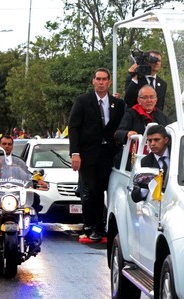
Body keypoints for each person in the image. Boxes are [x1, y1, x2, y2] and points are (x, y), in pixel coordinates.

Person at [69, 67, 125, 242]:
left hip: (108, 155)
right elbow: (73, 127)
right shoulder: (82, 101)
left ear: (109, 82)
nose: (101, 82)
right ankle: (92, 226)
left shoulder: (118, 104)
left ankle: (105, 226)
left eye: (104, 79)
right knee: (91, 191)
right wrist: (75, 153)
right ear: (93, 81)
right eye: (98, 79)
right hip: (87, 155)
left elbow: (121, 126)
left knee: (107, 190)